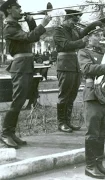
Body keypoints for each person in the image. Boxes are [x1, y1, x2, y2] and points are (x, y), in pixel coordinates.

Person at [0, 0, 51, 148]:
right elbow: (29, 38)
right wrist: (43, 24)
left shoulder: (16, 26)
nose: (21, 10)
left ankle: (11, 132)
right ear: (9, 10)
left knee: (21, 100)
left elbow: (32, 38)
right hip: (20, 66)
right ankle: (5, 134)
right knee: (18, 101)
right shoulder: (9, 27)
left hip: (26, 65)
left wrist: (32, 23)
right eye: (18, 7)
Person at [78, 25, 105, 179]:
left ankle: (99, 163)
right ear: (88, 37)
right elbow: (87, 68)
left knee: (102, 132)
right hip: (92, 94)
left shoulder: (103, 53)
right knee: (92, 132)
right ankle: (90, 166)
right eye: (96, 35)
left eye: (100, 34)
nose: (99, 37)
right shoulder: (84, 52)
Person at [53, 9, 101, 133]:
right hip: (65, 65)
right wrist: (82, 41)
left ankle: (67, 121)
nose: (75, 23)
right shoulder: (59, 30)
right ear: (66, 18)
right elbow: (65, 45)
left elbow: (83, 34)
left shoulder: (73, 30)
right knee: (64, 94)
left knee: (72, 94)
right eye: (73, 20)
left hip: (75, 66)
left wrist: (97, 22)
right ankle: (61, 122)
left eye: (77, 20)